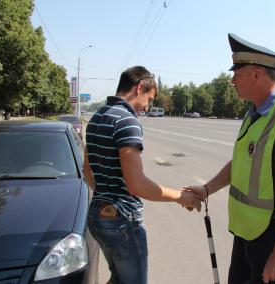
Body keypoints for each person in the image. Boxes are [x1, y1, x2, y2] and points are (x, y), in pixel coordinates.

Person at [185, 33, 275, 284]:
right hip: (248, 232)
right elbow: (242, 163)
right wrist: (206, 189)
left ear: (257, 74)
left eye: (237, 72)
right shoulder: (255, 113)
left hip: (272, 237)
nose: (232, 80)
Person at [84, 66, 201, 284]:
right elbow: (136, 185)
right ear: (139, 88)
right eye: (149, 99)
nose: (147, 107)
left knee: (119, 278)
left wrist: (105, 197)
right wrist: (180, 197)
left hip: (96, 216)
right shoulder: (127, 122)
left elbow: (86, 171)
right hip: (122, 221)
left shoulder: (96, 118)